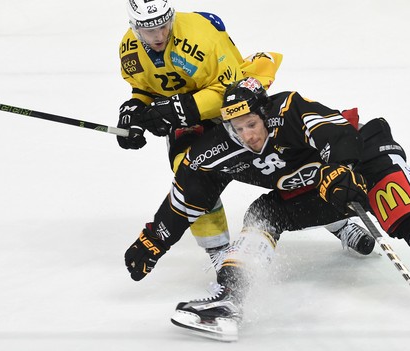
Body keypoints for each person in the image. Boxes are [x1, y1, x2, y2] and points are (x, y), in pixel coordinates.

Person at [121, 77, 410, 341]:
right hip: (316, 188)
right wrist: (154, 239)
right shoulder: (221, 148)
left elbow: (336, 132)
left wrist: (339, 169)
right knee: (262, 215)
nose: (245, 135)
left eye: (250, 124)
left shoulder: (288, 109)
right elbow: (189, 193)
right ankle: (230, 301)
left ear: (263, 114)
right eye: (235, 128)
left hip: (367, 161)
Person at [117, 0, 371, 267]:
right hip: (187, 119)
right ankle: (218, 251)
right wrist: (135, 111)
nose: (158, 35)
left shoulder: (201, 36)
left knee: (283, 161)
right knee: (190, 173)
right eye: (148, 29)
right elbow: (143, 88)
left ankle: (338, 222)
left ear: (172, 16)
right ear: (134, 28)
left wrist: (181, 108)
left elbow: (230, 86)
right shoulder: (129, 49)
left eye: (162, 25)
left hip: (230, 111)